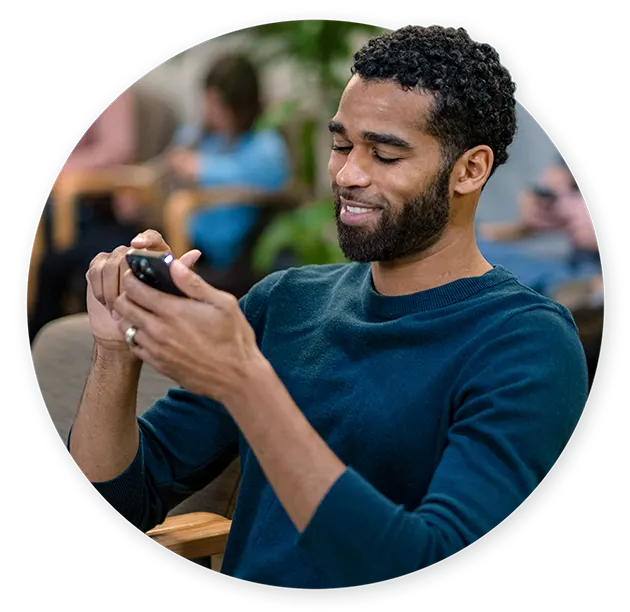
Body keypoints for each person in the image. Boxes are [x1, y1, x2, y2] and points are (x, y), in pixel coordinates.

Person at [69, 25, 588, 589]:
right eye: (342, 145)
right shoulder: (285, 301)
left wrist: (246, 382)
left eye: (385, 154)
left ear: (470, 170)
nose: (347, 174)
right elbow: (119, 503)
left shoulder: (528, 345)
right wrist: (115, 351)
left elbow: (428, 560)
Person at [153, 53, 291, 269]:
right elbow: (168, 163)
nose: (211, 112)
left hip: (241, 248)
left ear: (240, 106)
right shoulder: (197, 135)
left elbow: (268, 176)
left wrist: (203, 168)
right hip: (193, 242)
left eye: (218, 105)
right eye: (208, 102)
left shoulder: (264, 141)